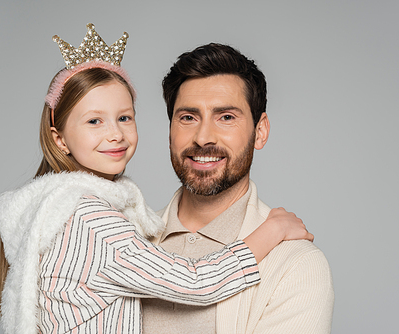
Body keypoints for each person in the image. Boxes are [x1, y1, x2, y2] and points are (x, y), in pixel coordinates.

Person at [0, 25, 313, 334]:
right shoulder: (92, 221)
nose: (115, 133)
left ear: (260, 130)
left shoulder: (58, 213)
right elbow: (194, 282)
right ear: (59, 139)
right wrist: (272, 229)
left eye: (124, 117)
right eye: (94, 121)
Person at [142, 43, 335, 334]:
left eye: (226, 117)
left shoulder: (295, 265)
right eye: (188, 117)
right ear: (170, 130)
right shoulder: (124, 242)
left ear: (260, 131)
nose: (203, 137)